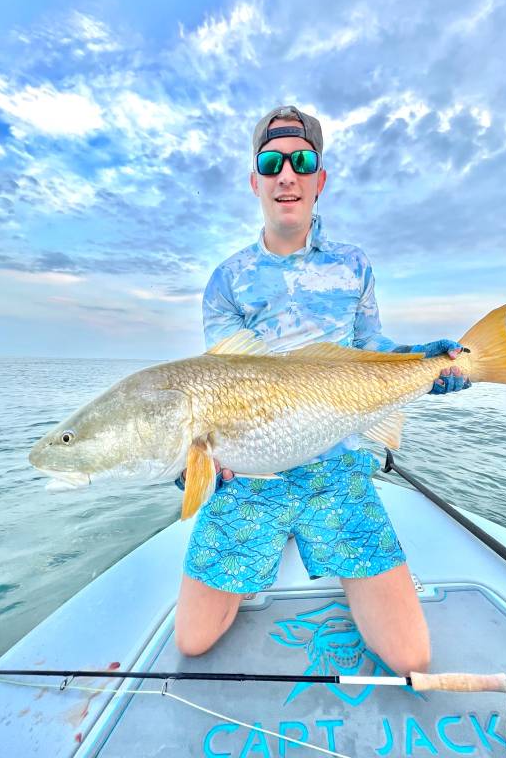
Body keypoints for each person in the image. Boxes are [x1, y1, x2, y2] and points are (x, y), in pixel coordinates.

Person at [174, 105, 470, 675]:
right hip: (255, 475)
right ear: (255, 181)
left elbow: (371, 347)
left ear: (320, 179)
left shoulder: (353, 265)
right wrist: (198, 459)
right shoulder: (227, 280)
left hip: (336, 467)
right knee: (193, 640)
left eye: (302, 162)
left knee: (409, 656)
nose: (287, 175)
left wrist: (423, 360)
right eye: (272, 163)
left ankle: (305, 537)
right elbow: (222, 380)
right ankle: (276, 536)